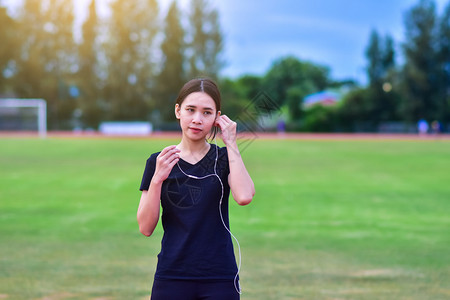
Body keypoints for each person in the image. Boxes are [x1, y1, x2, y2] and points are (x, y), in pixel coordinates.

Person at [137, 78, 255, 300]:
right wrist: (157, 180)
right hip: (172, 275)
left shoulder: (223, 158)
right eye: (190, 110)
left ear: (217, 118)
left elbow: (244, 196)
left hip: (219, 276)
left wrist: (231, 144)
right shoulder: (159, 161)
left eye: (207, 113)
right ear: (178, 111)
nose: (197, 119)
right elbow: (145, 227)